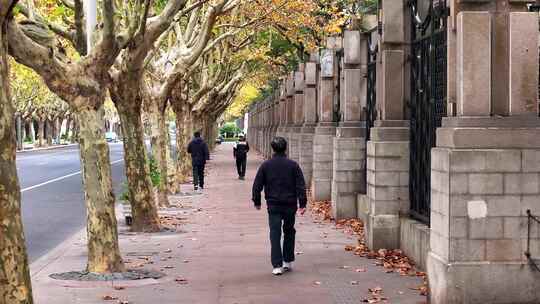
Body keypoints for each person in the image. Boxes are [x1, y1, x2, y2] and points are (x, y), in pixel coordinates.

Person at [252, 137, 307, 276]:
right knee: (289, 231)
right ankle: (287, 260)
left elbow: (257, 185)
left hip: (273, 204)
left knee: (275, 233)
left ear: (273, 149)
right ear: (285, 148)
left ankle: (277, 265)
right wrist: (302, 203)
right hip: (290, 204)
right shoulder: (293, 165)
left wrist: (257, 201)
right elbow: (300, 185)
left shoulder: (266, 165)